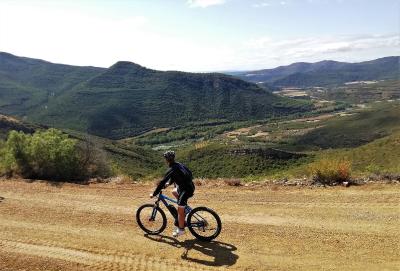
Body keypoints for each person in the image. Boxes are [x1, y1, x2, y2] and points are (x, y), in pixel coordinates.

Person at [150, 151, 195, 238]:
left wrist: (154, 193)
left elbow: (162, 182)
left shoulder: (171, 169)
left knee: (180, 210)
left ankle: (181, 229)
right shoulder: (178, 164)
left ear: (166, 160)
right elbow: (184, 174)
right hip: (190, 186)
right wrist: (169, 183)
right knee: (174, 191)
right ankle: (184, 206)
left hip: (186, 190)